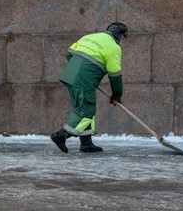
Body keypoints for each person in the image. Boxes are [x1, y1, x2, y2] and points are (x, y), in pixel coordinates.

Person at [49, 22, 128, 154]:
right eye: (123, 37)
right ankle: (60, 136)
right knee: (85, 112)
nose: (123, 40)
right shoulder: (114, 48)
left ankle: (86, 143)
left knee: (83, 108)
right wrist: (117, 95)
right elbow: (115, 76)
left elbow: (69, 53)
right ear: (119, 35)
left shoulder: (90, 37)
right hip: (83, 81)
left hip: (71, 76)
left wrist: (78, 72)